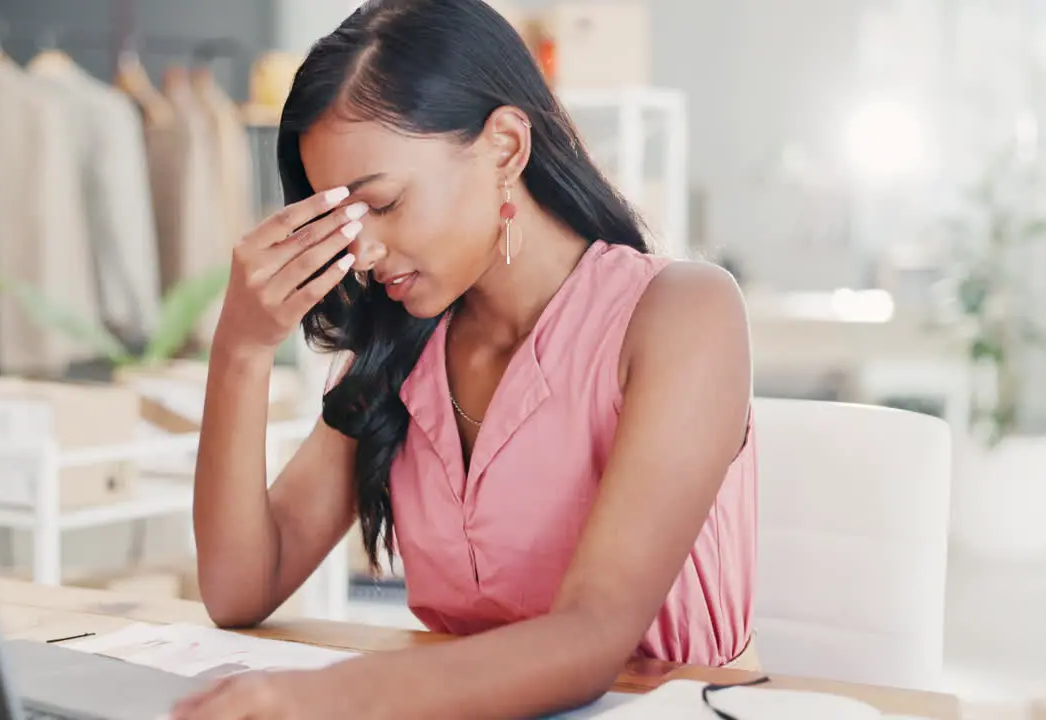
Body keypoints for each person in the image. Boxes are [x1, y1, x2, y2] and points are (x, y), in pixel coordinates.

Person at [177, 0, 756, 717]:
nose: (360, 253)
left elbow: (594, 636)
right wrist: (242, 349)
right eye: (341, 223)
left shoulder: (682, 314)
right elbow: (240, 589)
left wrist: (329, 697)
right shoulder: (397, 348)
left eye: (381, 206)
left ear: (507, 148)